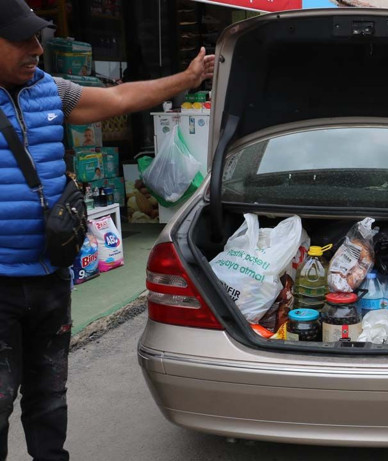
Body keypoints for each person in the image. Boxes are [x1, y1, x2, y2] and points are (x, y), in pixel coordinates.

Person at [0, 1, 214, 459]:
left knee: (49, 395)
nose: (37, 48)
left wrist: (188, 79)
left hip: (51, 277)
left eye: (38, 37)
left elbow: (120, 99)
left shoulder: (51, 91)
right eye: (23, 39)